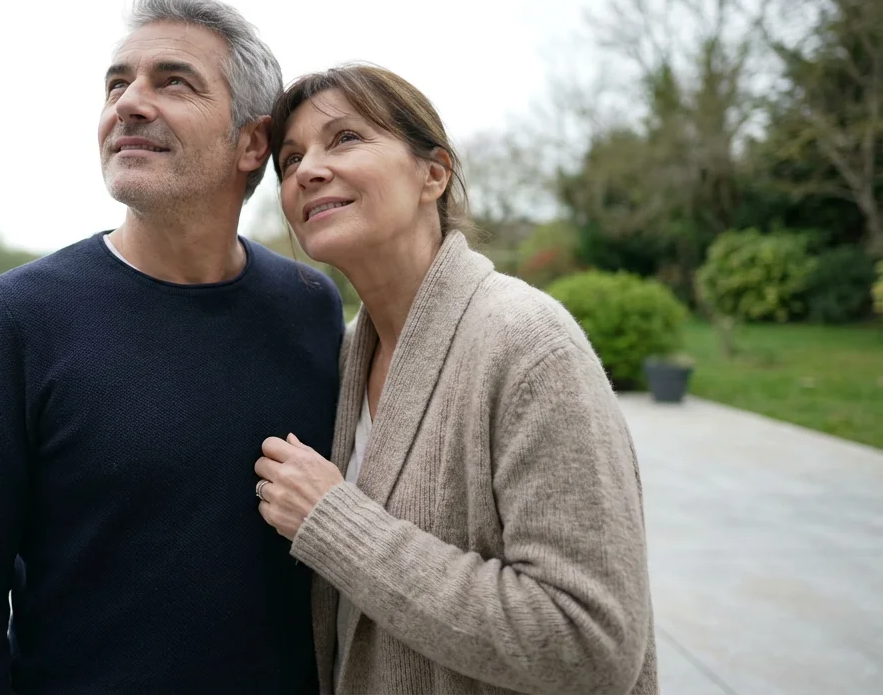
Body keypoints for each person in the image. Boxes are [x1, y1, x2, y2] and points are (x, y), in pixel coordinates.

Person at [0, 0, 344, 694]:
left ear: (252, 142)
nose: (128, 103)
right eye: (118, 82)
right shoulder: (20, 317)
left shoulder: (308, 308)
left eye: (173, 82)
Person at [252, 64, 660, 695]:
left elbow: (589, 645)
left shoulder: (527, 344)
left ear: (433, 174)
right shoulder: (341, 358)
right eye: (290, 159)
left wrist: (333, 522)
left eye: (346, 139)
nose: (307, 170)